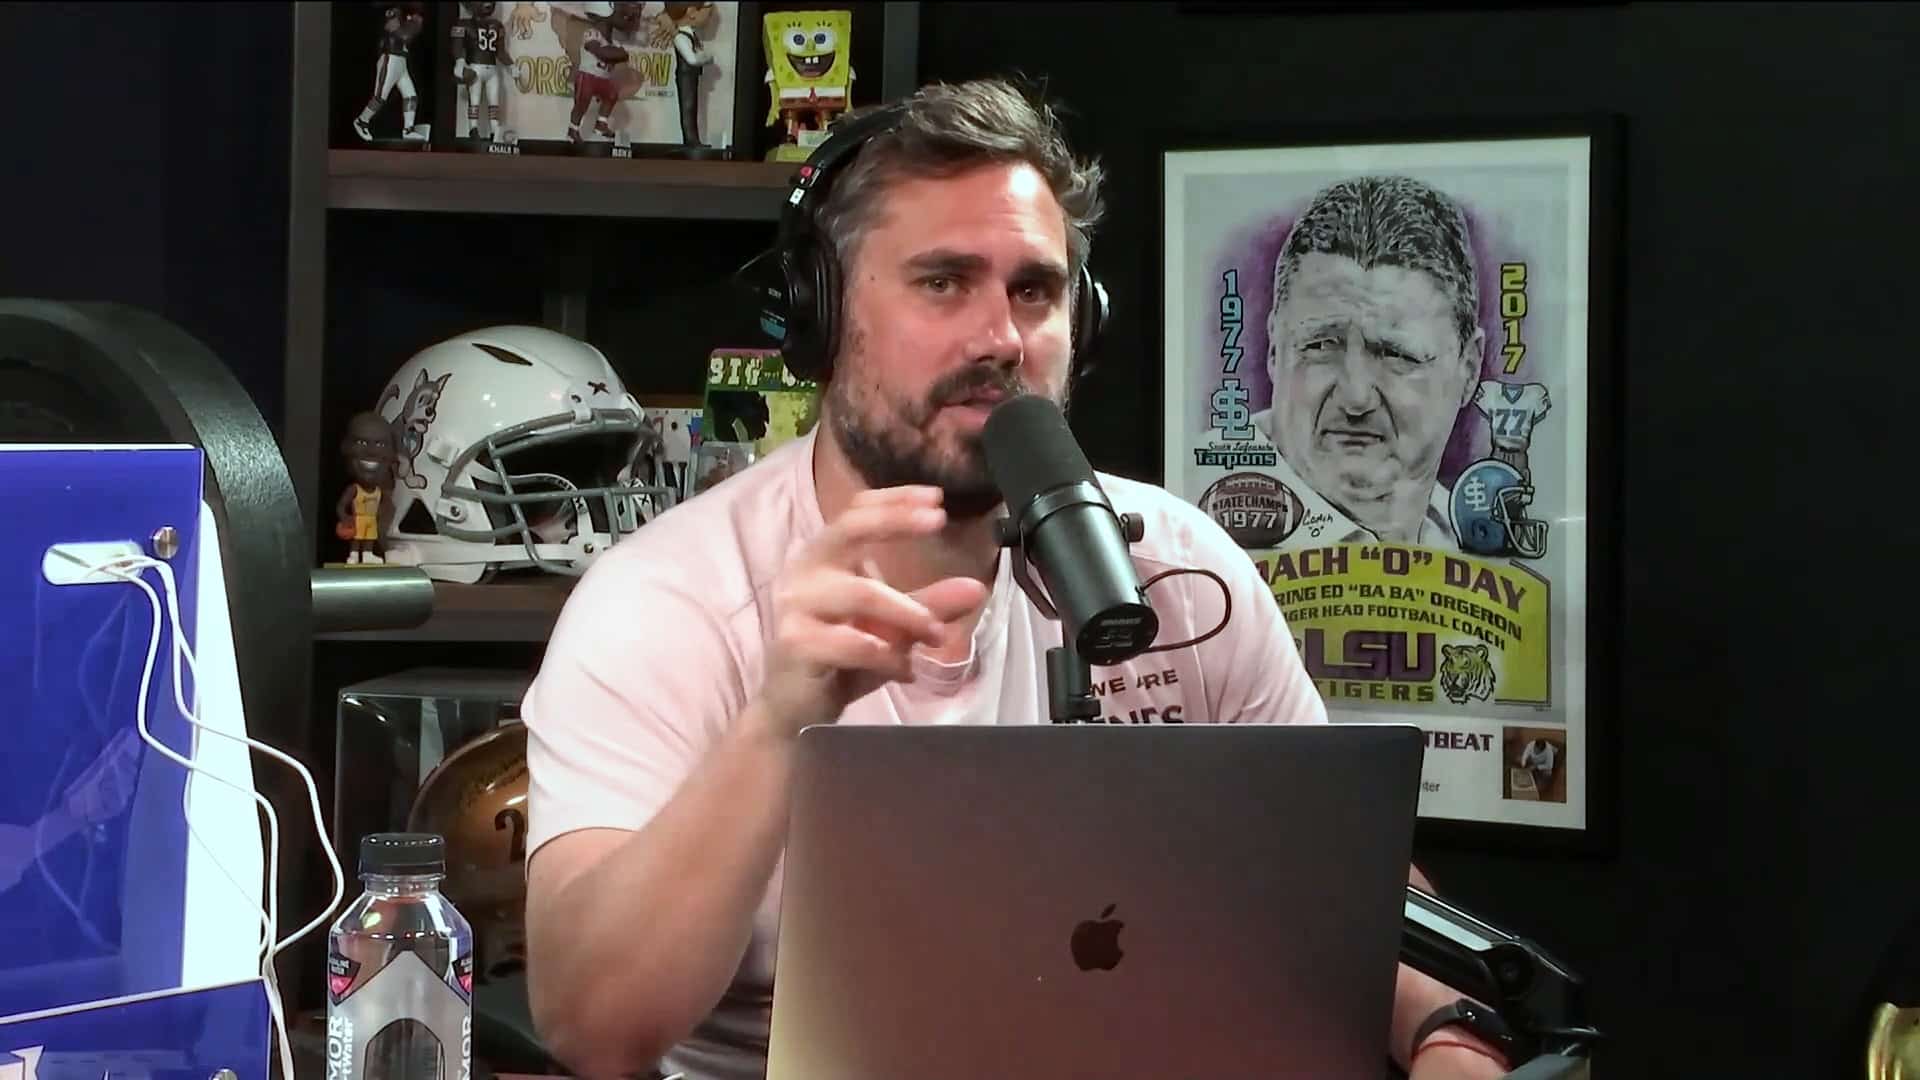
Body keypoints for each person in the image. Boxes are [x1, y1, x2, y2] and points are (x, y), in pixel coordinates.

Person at [520, 79, 1514, 1080]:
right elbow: (597, 1027)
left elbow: (1342, 897)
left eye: (1033, 290)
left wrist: (1449, 1041)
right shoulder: (669, 603)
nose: (1000, 338)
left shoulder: (1177, 570)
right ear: (819, 321)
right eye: (942, 282)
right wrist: (778, 726)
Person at [1220, 174, 1487, 550]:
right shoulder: (1194, 507)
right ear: (1274, 351)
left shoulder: (1477, 538)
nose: (1356, 397)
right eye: (1322, 345)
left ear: (1469, 368)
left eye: (1396, 354)